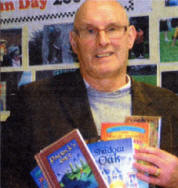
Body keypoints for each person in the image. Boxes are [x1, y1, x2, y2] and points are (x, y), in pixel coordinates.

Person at [1, 0, 178, 187]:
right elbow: (7, 176)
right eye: (90, 31)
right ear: (74, 42)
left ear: (131, 37)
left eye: (112, 29)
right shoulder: (34, 101)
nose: (102, 41)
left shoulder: (169, 104)